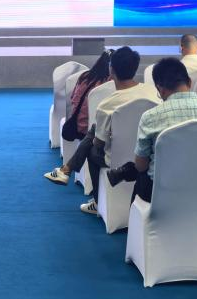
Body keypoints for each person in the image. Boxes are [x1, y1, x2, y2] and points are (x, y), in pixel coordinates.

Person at [104, 58, 197, 204]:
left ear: (160, 89)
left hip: (161, 196)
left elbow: (141, 165)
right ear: (189, 82)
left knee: (141, 174)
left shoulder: (151, 117)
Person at [48, 48, 159, 215]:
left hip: (116, 159)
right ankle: (67, 170)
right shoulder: (152, 92)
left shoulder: (107, 104)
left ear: (111, 70)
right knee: (94, 131)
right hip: (150, 155)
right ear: (135, 68)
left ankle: (97, 201)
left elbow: (99, 143)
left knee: (92, 150)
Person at [41, 50, 116, 207]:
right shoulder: (112, 85)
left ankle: (66, 170)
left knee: (94, 134)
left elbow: (73, 101)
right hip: (102, 134)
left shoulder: (84, 77)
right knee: (96, 132)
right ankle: (96, 200)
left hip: (78, 127)